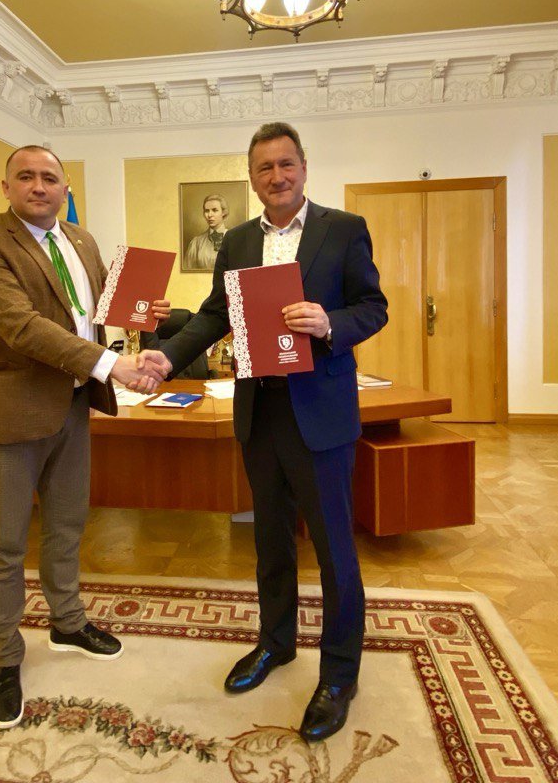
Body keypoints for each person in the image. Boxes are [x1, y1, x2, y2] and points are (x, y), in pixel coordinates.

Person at [141, 122, 387, 742]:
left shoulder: (343, 229)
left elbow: (373, 306)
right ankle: (276, 643)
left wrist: (329, 322)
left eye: (285, 164)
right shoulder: (240, 241)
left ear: (303, 166)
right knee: (270, 540)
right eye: (263, 168)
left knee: (333, 550)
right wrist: (167, 356)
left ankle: (339, 676)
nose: (276, 176)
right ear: (251, 179)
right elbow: (215, 315)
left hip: (321, 412)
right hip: (260, 411)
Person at [0, 144, 170, 729]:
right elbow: (23, 327)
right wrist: (113, 365)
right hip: (10, 414)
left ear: (64, 187)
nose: (38, 186)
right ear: (6, 187)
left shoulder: (82, 241)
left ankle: (68, 623)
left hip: (72, 407)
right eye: (25, 176)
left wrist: (147, 315)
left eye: (49, 177)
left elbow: (97, 310)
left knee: (68, 527)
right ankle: (5, 659)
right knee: (4, 546)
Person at [184, 193, 229, 270]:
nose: (209, 215)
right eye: (207, 211)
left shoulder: (235, 240)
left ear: (223, 212)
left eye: (214, 210)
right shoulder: (196, 243)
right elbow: (186, 272)